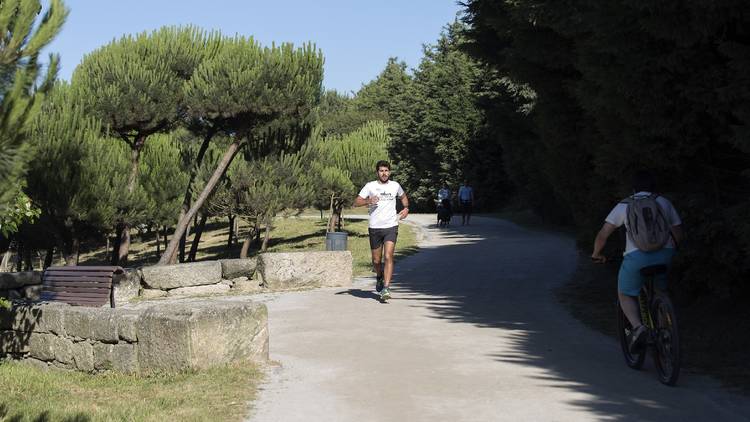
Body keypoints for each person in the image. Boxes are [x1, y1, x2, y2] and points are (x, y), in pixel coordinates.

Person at [591, 170, 684, 352]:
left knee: (624, 293)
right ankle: (665, 327)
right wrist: (672, 250)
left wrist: (596, 253)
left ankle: (638, 327)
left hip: (636, 257)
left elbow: (603, 234)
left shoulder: (624, 205)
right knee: (660, 290)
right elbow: (678, 232)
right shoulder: (663, 202)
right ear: (654, 186)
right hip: (665, 254)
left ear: (633, 189)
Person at [354, 160, 409, 301]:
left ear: (389, 172)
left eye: (386, 170)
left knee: (389, 256)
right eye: (381, 171)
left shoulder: (395, 185)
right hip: (375, 227)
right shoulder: (370, 186)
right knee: (376, 260)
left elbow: (403, 197)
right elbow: (356, 202)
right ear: (377, 172)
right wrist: (368, 201)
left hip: (391, 226)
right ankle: (379, 276)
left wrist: (406, 208)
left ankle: (386, 287)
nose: (384, 173)